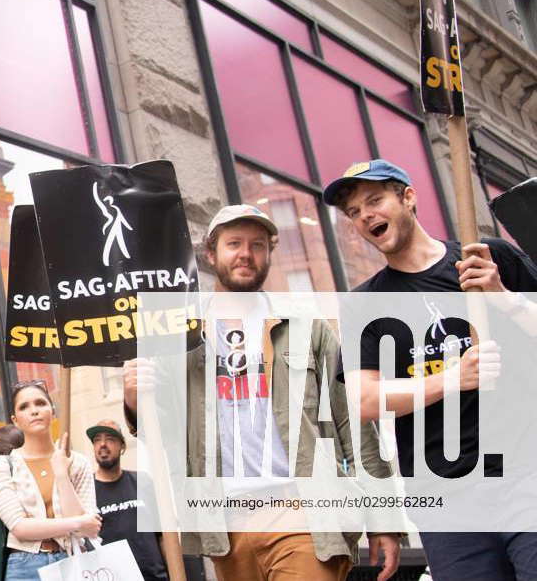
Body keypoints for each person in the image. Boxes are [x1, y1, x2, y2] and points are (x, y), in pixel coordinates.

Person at [124, 204, 401, 581]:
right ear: (211, 254)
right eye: (234, 243)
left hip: (304, 514)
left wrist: (383, 518)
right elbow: (167, 430)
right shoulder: (183, 338)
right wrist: (133, 398)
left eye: (257, 245)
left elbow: (353, 422)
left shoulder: (306, 327)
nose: (245, 254)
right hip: (228, 526)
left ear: (269, 255)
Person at [323, 160, 537, 581]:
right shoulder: (364, 304)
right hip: (445, 498)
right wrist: (451, 379)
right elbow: (364, 400)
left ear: (408, 197)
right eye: (354, 212)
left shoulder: (488, 258)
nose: (365, 215)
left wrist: (502, 297)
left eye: (374, 200)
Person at [0, 379, 101, 580]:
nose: (34, 411)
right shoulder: (3, 466)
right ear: (15, 420)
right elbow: (20, 528)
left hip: (73, 560)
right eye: (24, 406)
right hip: (25, 566)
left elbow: (87, 530)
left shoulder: (77, 462)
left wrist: (61, 474)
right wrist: (78, 522)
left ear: (53, 411)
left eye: (40, 403)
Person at [88, 419, 168, 581]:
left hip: (153, 577)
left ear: (122, 446)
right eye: (97, 440)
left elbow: (163, 536)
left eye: (110, 439)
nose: (102, 444)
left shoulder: (143, 482)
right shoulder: (86, 491)